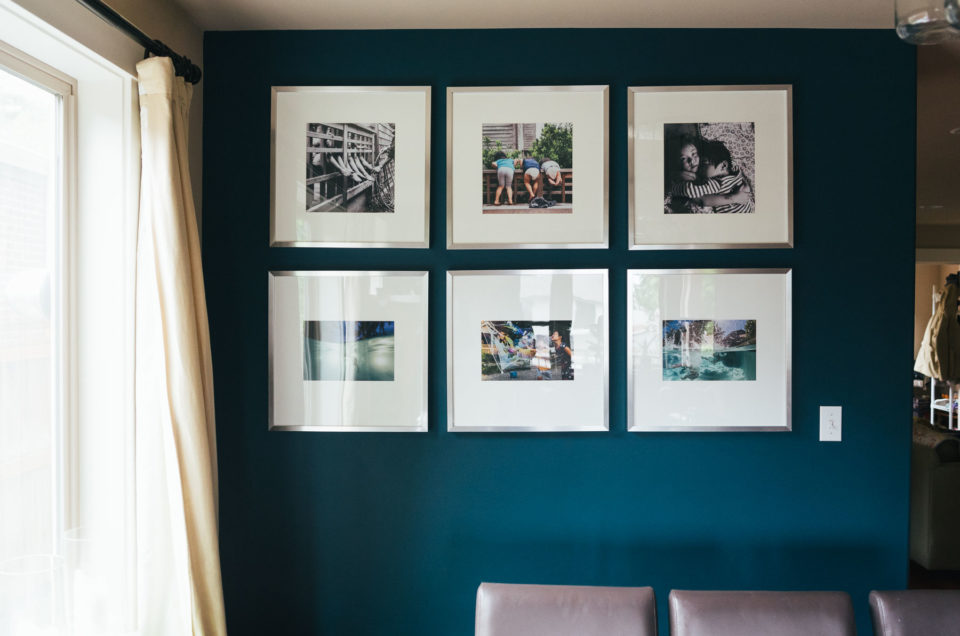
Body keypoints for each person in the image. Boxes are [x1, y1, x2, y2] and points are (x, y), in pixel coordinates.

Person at [669, 139, 754, 213]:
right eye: (683, 158)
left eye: (704, 164)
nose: (692, 160)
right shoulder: (735, 170)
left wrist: (675, 187)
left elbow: (691, 191)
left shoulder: (717, 182)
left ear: (724, 166)